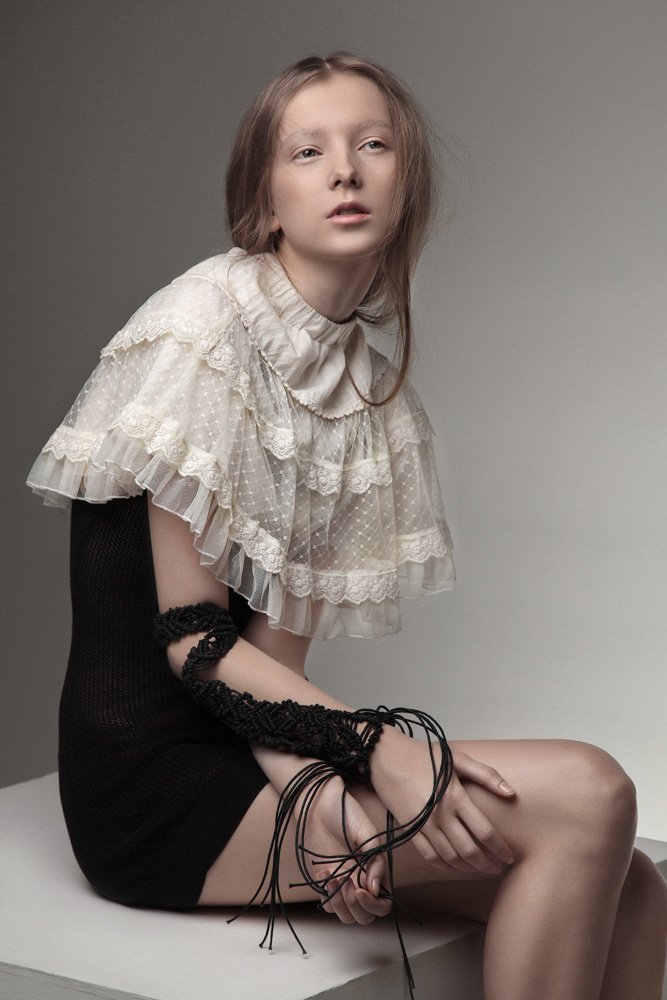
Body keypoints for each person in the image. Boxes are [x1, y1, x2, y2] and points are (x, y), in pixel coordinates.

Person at [27, 52, 666, 1000]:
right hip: (151, 788)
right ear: (265, 203)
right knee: (591, 792)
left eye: (373, 145)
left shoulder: (357, 379)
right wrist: (372, 754)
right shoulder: (202, 330)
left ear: (407, 185)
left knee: (637, 886)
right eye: (307, 151)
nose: (343, 171)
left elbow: (271, 662)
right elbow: (195, 644)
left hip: (252, 748)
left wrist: (315, 791)